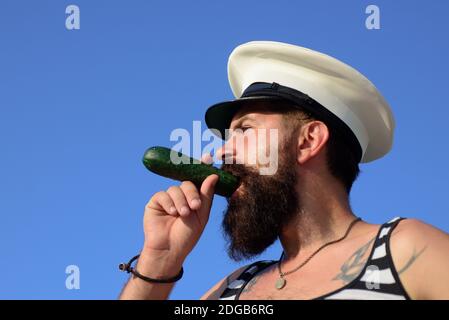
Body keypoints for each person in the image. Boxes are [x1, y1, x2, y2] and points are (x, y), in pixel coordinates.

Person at [119, 41, 449, 300]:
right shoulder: (235, 289)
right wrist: (158, 262)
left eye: (244, 131)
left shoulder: (404, 250)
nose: (222, 151)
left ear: (308, 141)